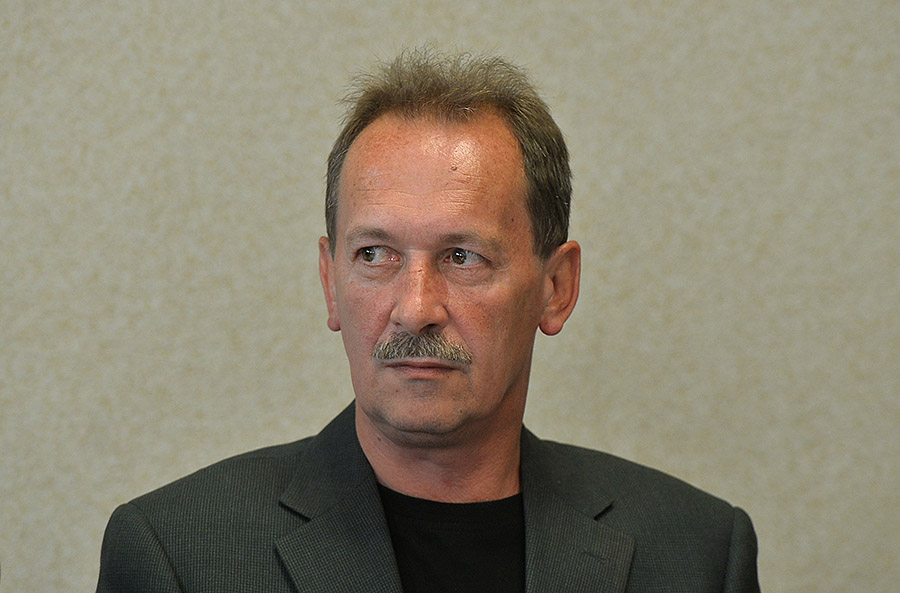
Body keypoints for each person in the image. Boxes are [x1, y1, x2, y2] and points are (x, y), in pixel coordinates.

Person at [96, 48, 760, 593]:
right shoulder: (176, 554)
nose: (415, 308)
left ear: (556, 288)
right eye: (375, 254)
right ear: (331, 282)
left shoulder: (697, 553)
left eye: (463, 256)